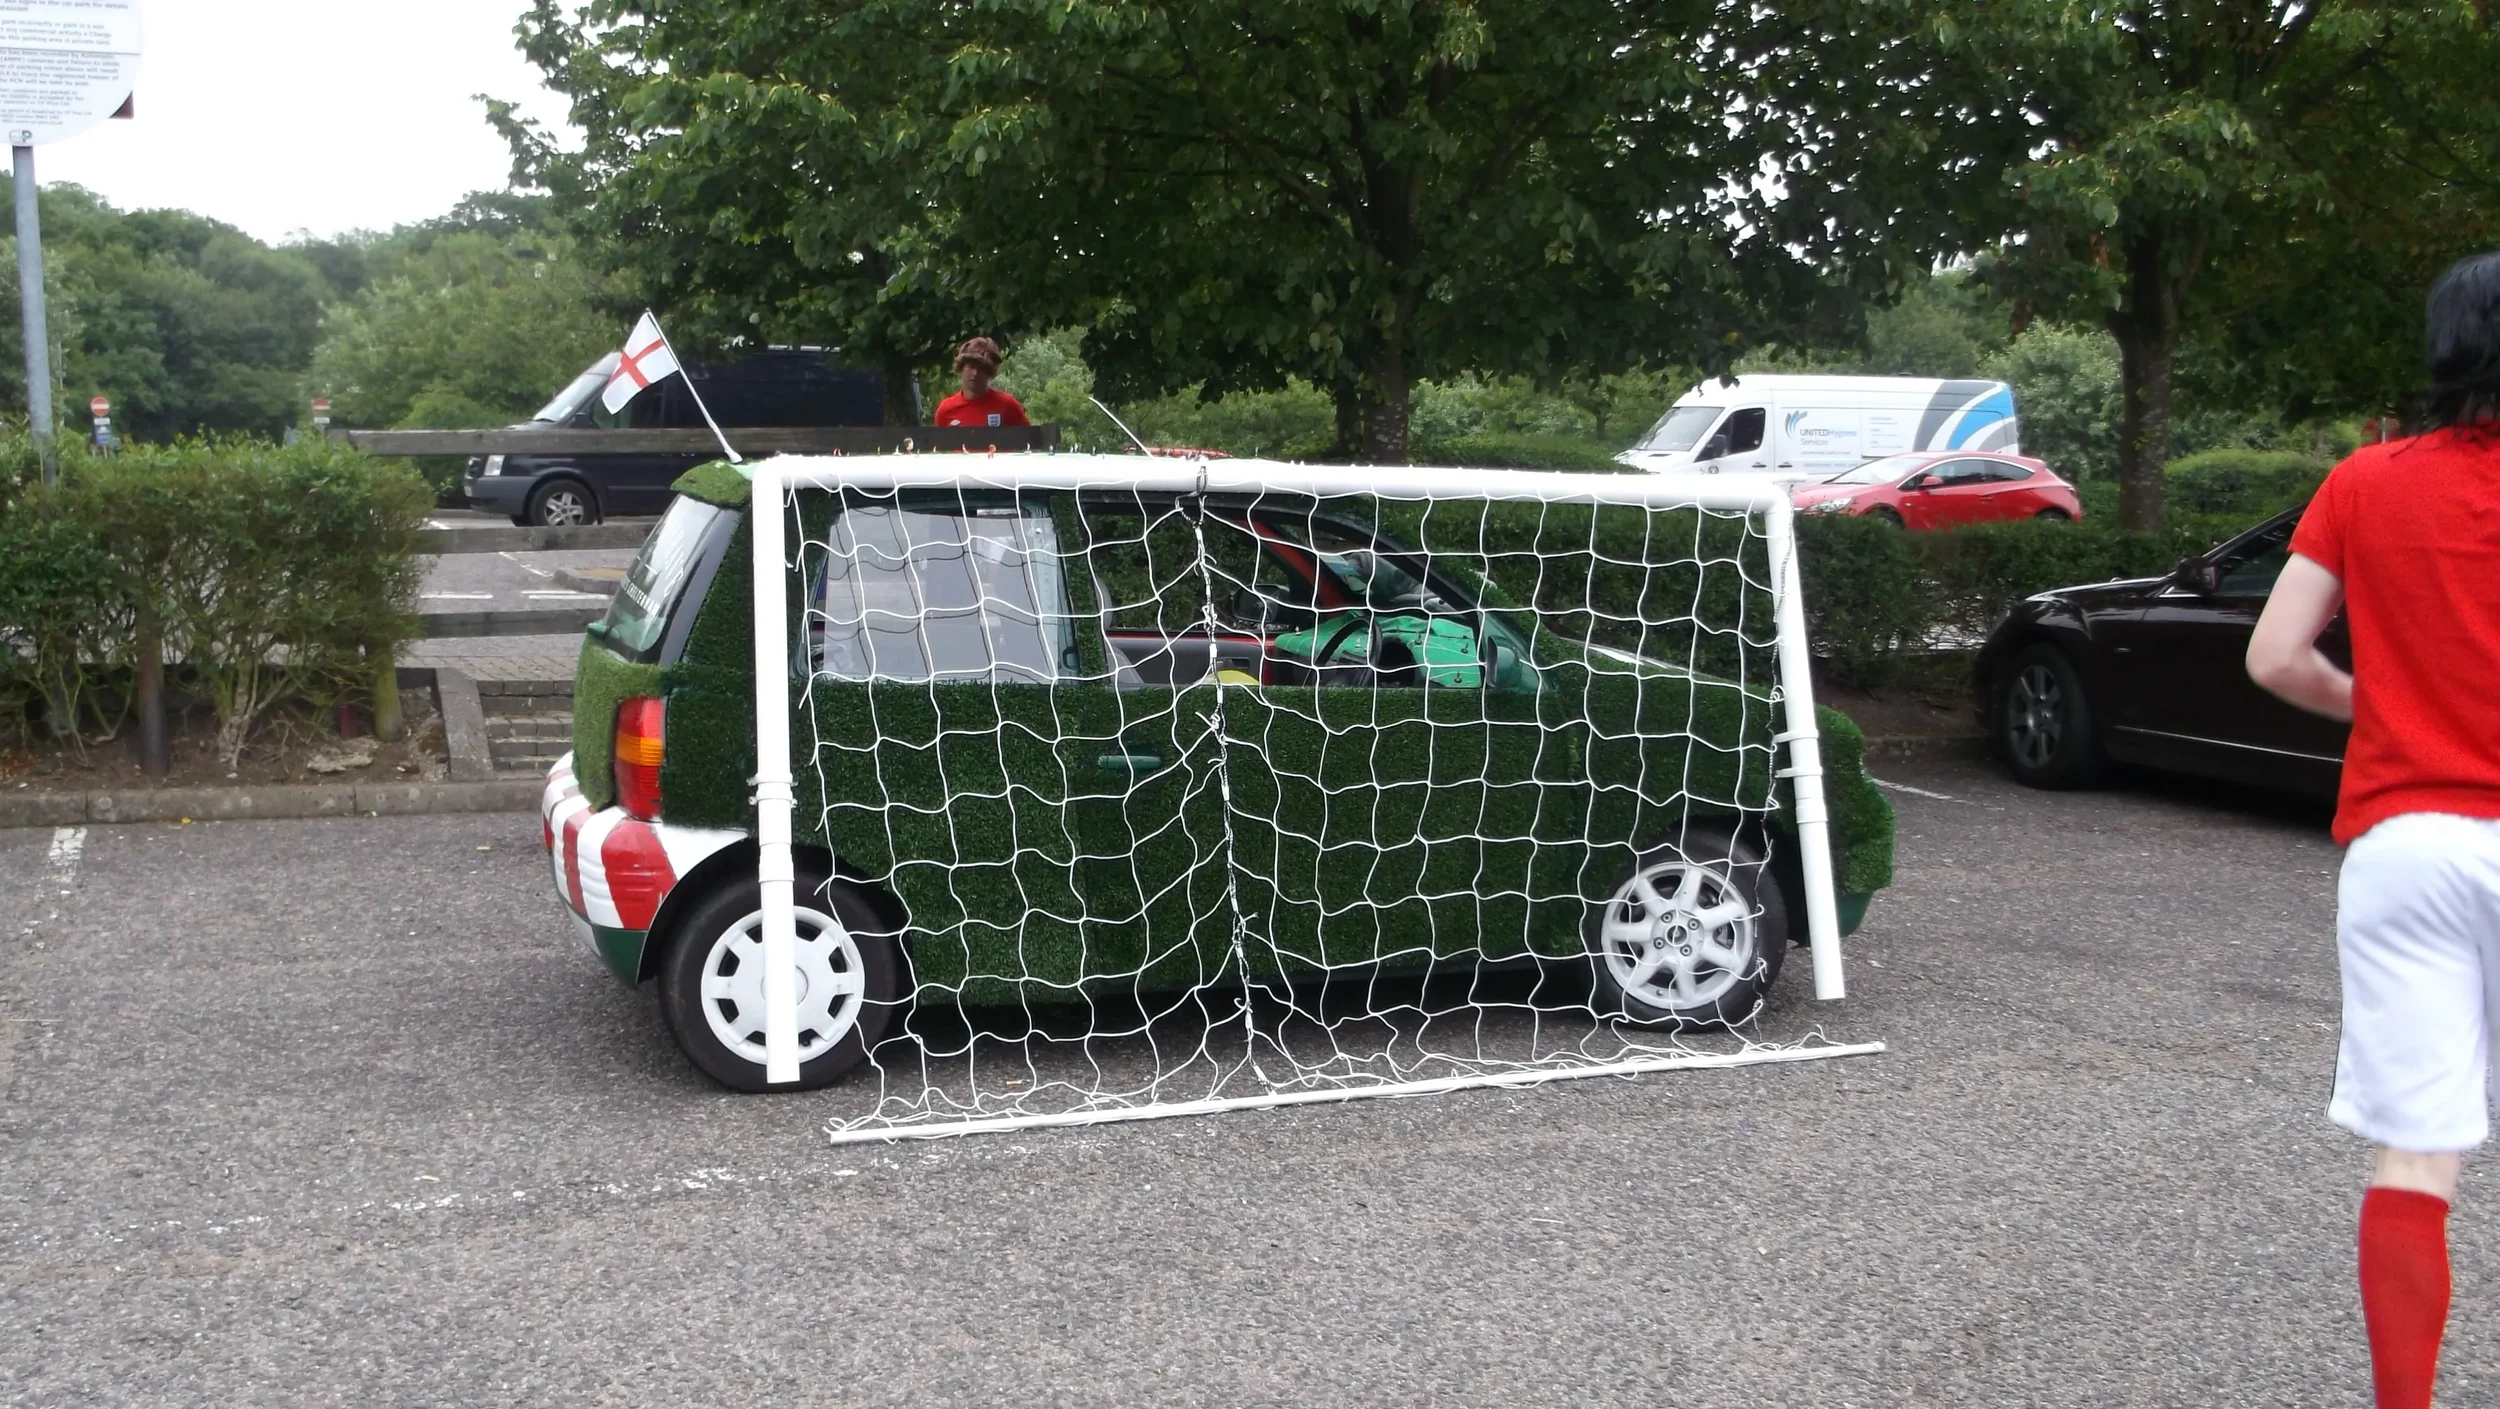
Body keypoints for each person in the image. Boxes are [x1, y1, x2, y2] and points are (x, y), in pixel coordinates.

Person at [2248, 247, 2500, 1409]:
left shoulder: (2364, 481)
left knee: (2414, 1154)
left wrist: (2383, 700)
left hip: (2408, 845)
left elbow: (2275, 656)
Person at [930, 337, 1030, 430]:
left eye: (981, 368)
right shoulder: (945, 410)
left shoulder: (1008, 405)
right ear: (961, 368)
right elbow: (938, 443)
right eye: (971, 366)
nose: (975, 373)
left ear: (990, 373)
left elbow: (1029, 440)